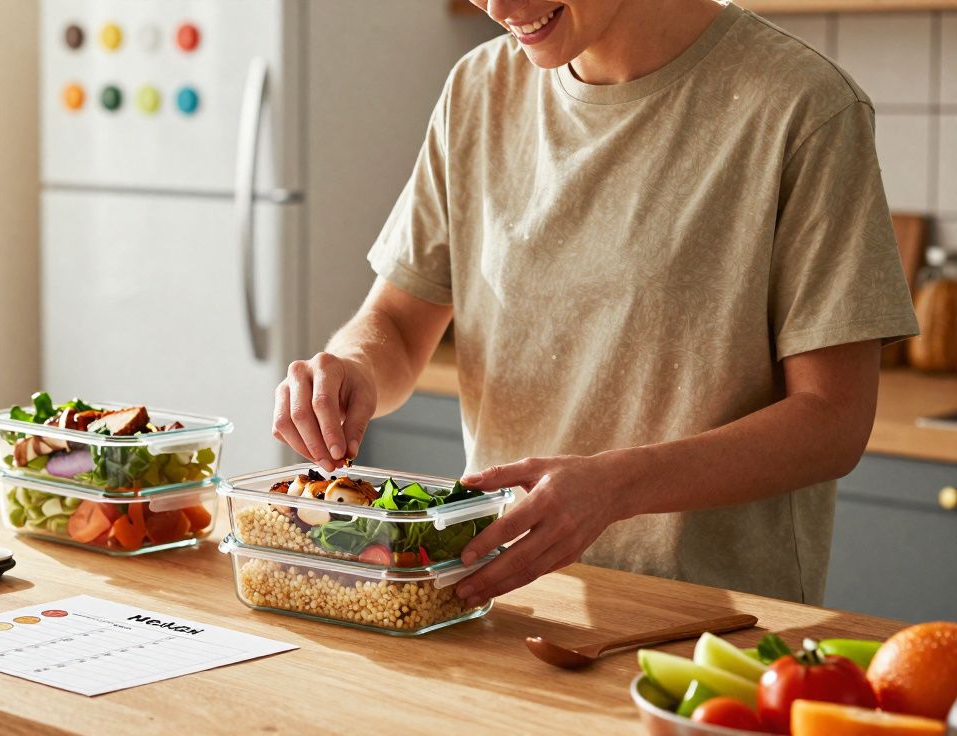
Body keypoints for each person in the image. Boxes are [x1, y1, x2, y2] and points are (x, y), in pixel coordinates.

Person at [270, 0, 919, 605]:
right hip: (502, 603)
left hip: (708, 628)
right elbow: (398, 324)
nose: (497, 7)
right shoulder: (478, 91)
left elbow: (832, 421)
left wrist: (617, 489)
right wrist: (351, 368)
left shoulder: (803, 106)